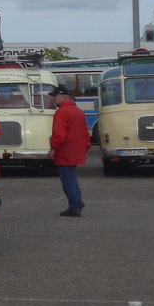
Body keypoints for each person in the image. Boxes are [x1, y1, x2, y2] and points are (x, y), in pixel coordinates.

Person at [48, 84, 88, 218]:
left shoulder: (61, 112)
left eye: (55, 96)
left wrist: (53, 149)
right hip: (77, 150)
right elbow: (85, 133)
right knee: (71, 178)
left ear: (62, 96)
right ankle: (77, 201)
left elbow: (59, 135)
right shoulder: (78, 111)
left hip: (66, 151)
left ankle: (74, 207)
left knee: (67, 180)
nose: (53, 99)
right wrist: (86, 148)